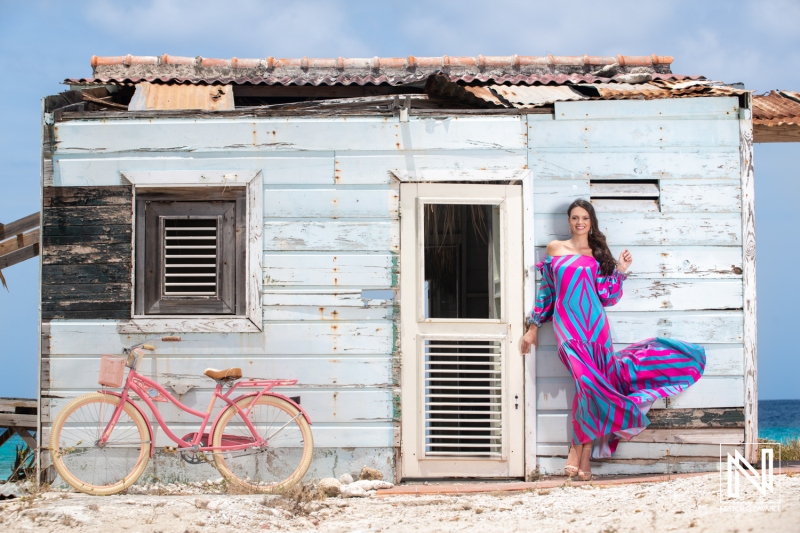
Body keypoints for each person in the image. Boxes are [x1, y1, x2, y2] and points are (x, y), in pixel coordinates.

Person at [519, 199, 706, 480]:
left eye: (584, 217)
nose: (579, 222)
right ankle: (576, 451)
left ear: (591, 221)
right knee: (588, 384)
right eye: (574, 218)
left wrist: (619, 270)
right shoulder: (555, 249)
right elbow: (548, 292)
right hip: (569, 329)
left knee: (588, 389)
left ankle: (583, 457)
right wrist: (533, 326)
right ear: (568, 221)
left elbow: (607, 297)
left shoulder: (597, 254)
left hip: (596, 330)